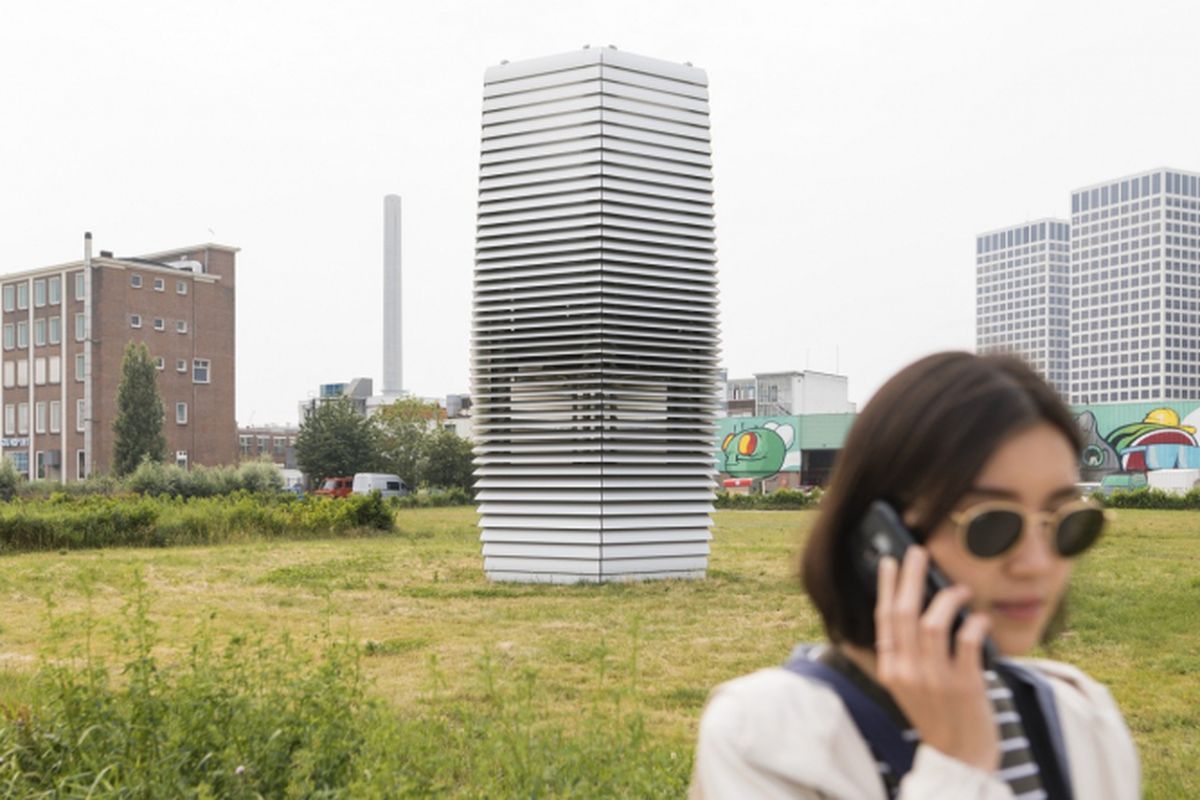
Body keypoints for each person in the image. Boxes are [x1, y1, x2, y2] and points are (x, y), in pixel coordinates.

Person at [690, 352, 1139, 799]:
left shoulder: (1078, 714)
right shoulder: (767, 737)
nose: (1038, 564)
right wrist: (957, 767)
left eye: (1066, 523)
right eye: (993, 525)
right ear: (882, 535)